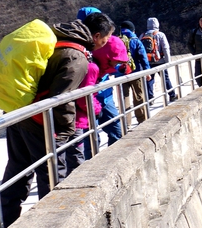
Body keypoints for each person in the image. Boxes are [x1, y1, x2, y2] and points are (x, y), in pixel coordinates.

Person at [0, 15, 112, 227]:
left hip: (19, 113)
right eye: (105, 40)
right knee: (51, 176)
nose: (104, 45)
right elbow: (62, 98)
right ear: (96, 36)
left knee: (17, 171)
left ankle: (6, 224)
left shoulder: (57, 41)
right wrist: (66, 131)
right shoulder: (76, 58)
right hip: (40, 122)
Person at [92, 14, 130, 147]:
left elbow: (113, 64)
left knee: (118, 132)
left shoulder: (108, 49)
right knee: (90, 141)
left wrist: (122, 68)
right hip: (90, 105)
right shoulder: (90, 64)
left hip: (105, 97)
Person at [65, 60, 102, 171]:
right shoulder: (91, 67)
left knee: (76, 153)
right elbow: (84, 98)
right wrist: (97, 110)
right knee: (76, 156)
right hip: (76, 118)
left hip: (75, 116)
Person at [119, 21, 151, 124]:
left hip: (121, 73)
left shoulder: (117, 41)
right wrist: (147, 71)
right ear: (133, 30)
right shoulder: (135, 40)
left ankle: (126, 123)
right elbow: (143, 57)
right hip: (136, 72)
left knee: (124, 98)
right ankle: (141, 119)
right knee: (138, 96)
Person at [143, 17, 177, 101]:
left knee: (149, 80)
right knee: (165, 79)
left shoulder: (143, 35)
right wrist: (168, 61)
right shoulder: (160, 34)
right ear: (157, 24)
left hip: (148, 62)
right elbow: (166, 48)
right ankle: (172, 95)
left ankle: (150, 99)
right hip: (160, 61)